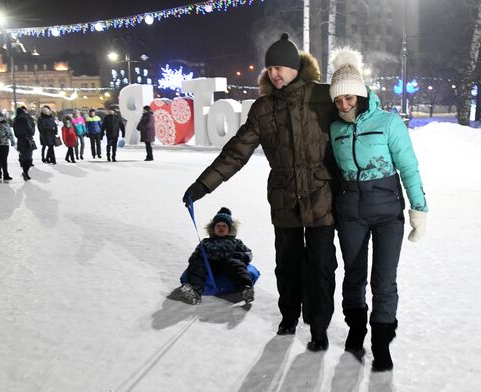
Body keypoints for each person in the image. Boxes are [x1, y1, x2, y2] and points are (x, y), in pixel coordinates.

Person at [182, 33, 339, 350]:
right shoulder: (263, 109)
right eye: (270, 68)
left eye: (280, 67)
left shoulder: (324, 96)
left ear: (296, 67)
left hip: (322, 194)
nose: (274, 74)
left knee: (321, 264)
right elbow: (236, 152)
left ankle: (319, 324)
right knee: (288, 262)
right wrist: (203, 184)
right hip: (284, 198)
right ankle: (289, 316)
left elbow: (358, 117)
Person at [328, 48, 428, 371]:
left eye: (349, 99)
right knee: (353, 277)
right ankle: (356, 331)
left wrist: (419, 208)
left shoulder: (388, 123)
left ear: (361, 94)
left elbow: (408, 166)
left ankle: (381, 343)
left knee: (383, 281)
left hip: (387, 215)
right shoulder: (335, 129)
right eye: (338, 100)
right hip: (351, 213)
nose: (344, 106)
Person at [179, 207, 254, 305]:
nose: (221, 228)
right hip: (209, 265)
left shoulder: (235, 242)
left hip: (226, 265)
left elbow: (248, 254)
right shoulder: (206, 242)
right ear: (213, 229)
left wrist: (239, 256)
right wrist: (198, 258)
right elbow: (195, 255)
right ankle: (195, 291)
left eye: (224, 226)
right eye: (218, 226)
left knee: (236, 265)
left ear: (229, 229)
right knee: (197, 265)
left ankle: (245, 289)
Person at [0, 112, 16, 182]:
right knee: (4, 160)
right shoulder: (5, 123)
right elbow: (10, 134)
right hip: (4, 144)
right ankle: (6, 175)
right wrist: (13, 142)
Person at [13, 107, 36, 181]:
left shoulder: (15, 121)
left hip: (20, 140)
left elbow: (16, 133)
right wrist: (31, 132)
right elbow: (30, 129)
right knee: (29, 157)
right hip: (27, 140)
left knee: (24, 157)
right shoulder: (26, 118)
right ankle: (25, 172)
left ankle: (25, 172)